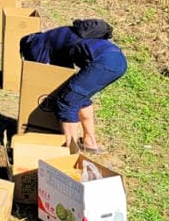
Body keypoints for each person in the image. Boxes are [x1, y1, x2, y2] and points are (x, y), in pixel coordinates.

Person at [20, 18, 127, 154]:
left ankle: (70, 153)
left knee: (67, 102)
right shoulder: (58, 35)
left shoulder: (36, 45)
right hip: (118, 60)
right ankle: (90, 142)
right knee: (79, 96)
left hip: (103, 62)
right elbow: (64, 74)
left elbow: (43, 75)